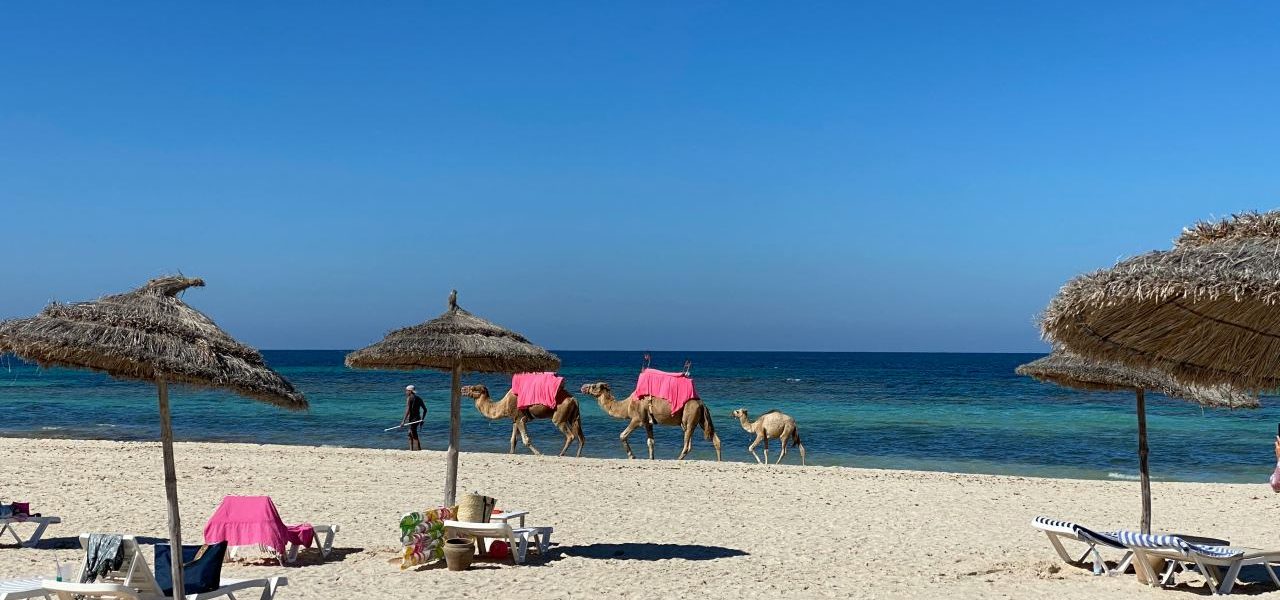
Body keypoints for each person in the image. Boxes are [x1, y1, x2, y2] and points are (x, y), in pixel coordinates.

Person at [402, 385, 426, 451]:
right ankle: (411, 450)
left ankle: (419, 450)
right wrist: (422, 419)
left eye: (406, 391)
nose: (406, 392)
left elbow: (408, 410)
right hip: (418, 419)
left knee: (414, 435)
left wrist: (403, 421)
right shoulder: (419, 398)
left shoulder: (409, 398)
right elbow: (425, 410)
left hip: (413, 419)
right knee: (410, 434)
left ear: (410, 391)